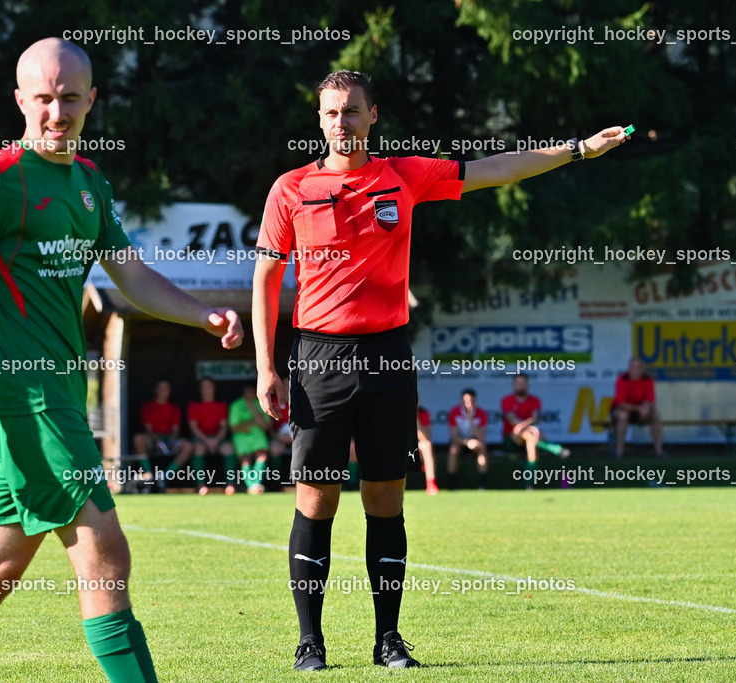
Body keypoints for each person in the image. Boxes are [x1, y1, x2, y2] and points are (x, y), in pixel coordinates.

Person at [0, 38, 242, 683]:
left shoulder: (90, 182)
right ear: (20, 100)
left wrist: (200, 314)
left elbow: (131, 278)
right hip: (29, 401)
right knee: (106, 558)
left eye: (69, 98)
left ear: (91, 99)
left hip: (59, 398)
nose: (56, 112)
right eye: (42, 98)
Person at [251, 69, 628, 671]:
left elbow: (496, 168)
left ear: (373, 116)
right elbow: (267, 280)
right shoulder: (290, 189)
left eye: (351, 111)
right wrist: (267, 367)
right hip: (318, 358)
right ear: (317, 119)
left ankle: (388, 641)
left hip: (388, 356)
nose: (340, 123)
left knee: (384, 499)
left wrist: (580, 149)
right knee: (317, 499)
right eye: (330, 113)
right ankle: (309, 644)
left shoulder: (403, 175)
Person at [501, 374, 570, 488]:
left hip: (529, 438)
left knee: (531, 439)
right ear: (514, 385)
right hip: (511, 440)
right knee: (529, 434)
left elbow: (535, 418)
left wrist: (529, 427)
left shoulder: (535, 401)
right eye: (518, 383)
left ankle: (529, 485)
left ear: (527, 385)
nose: (521, 386)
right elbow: (513, 420)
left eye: (523, 383)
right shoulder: (506, 400)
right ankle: (554, 448)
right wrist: (529, 426)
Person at [132, 378, 193, 491]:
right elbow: (148, 428)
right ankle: (148, 474)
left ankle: (164, 476)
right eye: (160, 388)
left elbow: (175, 429)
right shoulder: (148, 407)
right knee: (138, 439)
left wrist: (170, 441)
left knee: (188, 446)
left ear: (170, 390)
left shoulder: (174, 408)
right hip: (152, 439)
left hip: (169, 439)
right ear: (155, 390)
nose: (163, 391)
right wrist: (157, 441)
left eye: (165, 388)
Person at [187, 376, 233, 495]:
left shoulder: (221, 405)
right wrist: (207, 441)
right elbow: (194, 427)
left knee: (229, 449)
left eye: (208, 387)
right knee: (198, 449)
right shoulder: (194, 405)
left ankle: (230, 485)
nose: (206, 390)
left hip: (217, 438)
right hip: (201, 439)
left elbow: (223, 427)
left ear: (214, 388)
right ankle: (201, 485)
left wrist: (216, 440)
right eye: (203, 387)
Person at [611, 358, 665, 458]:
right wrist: (638, 409)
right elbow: (621, 403)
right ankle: (619, 452)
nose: (636, 370)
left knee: (656, 416)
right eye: (634, 367)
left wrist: (648, 410)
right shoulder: (622, 379)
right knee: (623, 416)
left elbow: (651, 401)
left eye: (638, 367)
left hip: (641, 410)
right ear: (629, 369)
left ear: (642, 369)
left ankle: (659, 451)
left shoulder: (648, 380)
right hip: (622, 409)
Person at [229, 383, 272, 494]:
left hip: (258, 436)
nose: (250, 394)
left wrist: (253, 410)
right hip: (241, 437)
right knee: (245, 459)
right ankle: (252, 485)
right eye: (247, 391)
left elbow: (266, 425)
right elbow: (234, 428)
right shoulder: (236, 405)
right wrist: (252, 422)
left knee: (262, 456)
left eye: (252, 391)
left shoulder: (261, 404)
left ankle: (255, 484)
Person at [446, 388, 490, 490]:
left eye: (471, 402)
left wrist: (471, 421)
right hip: (460, 442)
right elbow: (454, 436)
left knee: (482, 448)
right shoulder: (454, 412)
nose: (468, 405)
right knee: (453, 449)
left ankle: (482, 484)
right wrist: (466, 442)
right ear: (461, 401)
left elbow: (482, 437)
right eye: (466, 401)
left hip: (475, 442)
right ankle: (452, 484)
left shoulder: (481, 413)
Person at [416, 406, 439, 495]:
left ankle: (431, 485)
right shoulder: (397, 413)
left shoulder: (423, 413)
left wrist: (415, 419)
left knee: (426, 445)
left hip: (417, 447)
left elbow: (425, 437)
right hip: (402, 446)